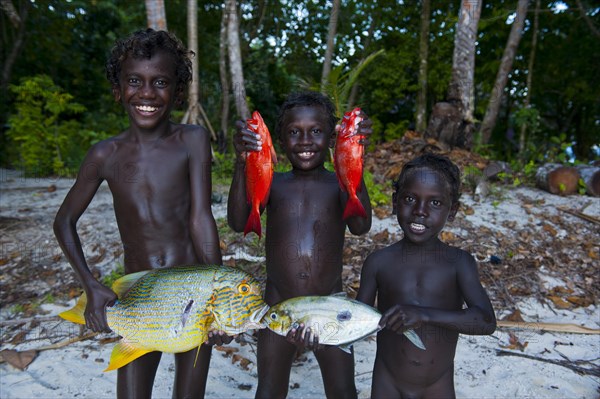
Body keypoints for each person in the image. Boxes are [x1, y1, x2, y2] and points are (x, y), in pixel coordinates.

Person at [53, 29, 224, 399]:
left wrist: (219, 291)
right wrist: (90, 284)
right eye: (134, 81)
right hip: (138, 299)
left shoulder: (192, 140)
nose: (146, 93)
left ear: (177, 91)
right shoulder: (105, 155)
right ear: (118, 89)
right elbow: (64, 221)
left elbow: (200, 218)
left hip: (194, 294)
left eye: (160, 82)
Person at [227, 91, 373, 398]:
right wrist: (242, 162)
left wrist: (354, 157)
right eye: (294, 133)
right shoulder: (274, 183)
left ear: (332, 138)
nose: (305, 141)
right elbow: (240, 221)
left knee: (343, 391)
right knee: (268, 390)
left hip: (329, 307)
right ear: (279, 139)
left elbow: (361, 226)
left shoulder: (337, 184)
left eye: (316, 132)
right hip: (278, 306)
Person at [356, 153, 497, 398]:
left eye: (435, 203)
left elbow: (485, 321)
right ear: (395, 201)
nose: (420, 211)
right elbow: (355, 321)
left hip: (437, 387)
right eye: (410, 198)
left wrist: (423, 315)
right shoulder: (379, 262)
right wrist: (319, 330)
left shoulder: (458, 263)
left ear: (452, 211)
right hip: (387, 383)